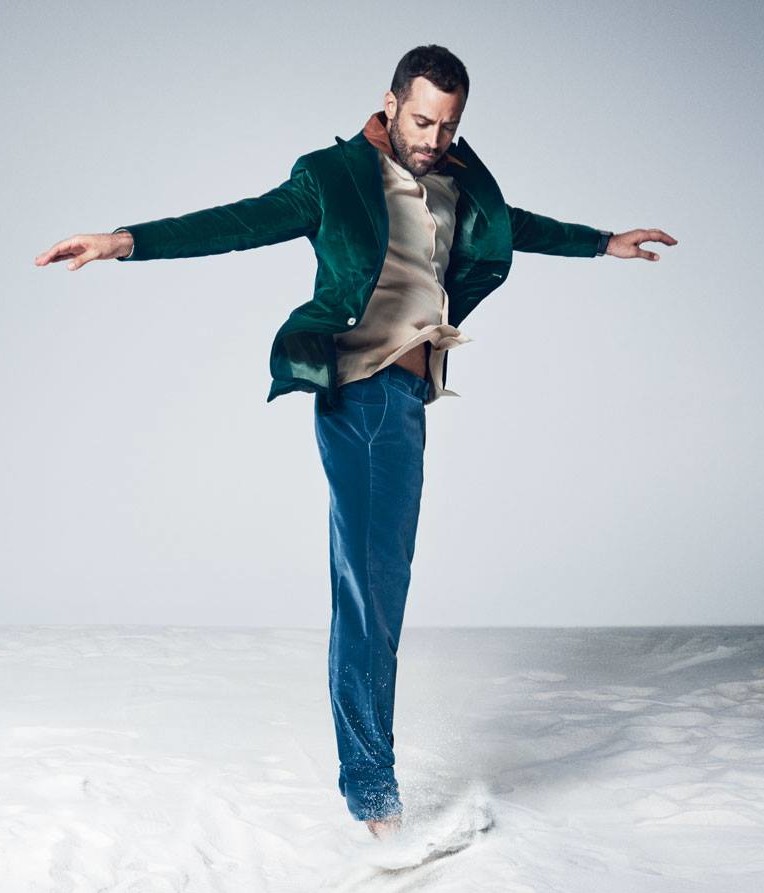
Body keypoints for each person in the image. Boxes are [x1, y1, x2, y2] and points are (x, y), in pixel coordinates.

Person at [35, 45, 677, 839]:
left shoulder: (458, 178)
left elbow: (516, 226)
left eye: (448, 125)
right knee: (371, 589)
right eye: (422, 121)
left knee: (379, 585)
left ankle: (371, 781)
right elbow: (238, 222)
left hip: (406, 398)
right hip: (359, 391)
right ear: (390, 101)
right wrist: (122, 241)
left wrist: (603, 241)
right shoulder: (331, 176)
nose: (433, 139)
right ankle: (373, 794)